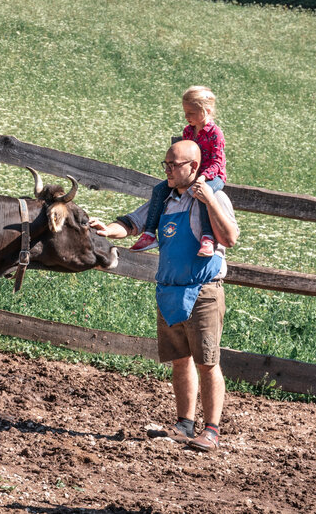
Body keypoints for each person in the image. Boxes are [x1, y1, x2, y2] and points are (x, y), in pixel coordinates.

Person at [89, 140, 239, 452]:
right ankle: (184, 424)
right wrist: (106, 230)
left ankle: (211, 430)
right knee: (180, 361)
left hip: (203, 291)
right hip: (170, 291)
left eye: (174, 165)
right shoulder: (166, 200)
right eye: (166, 164)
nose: (168, 170)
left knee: (207, 362)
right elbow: (132, 223)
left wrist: (209, 201)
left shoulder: (215, 197)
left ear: (194, 168)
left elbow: (230, 238)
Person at [130, 86, 226, 257]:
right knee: (159, 190)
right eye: (185, 112)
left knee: (203, 194)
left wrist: (203, 178)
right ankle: (150, 234)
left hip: (213, 176)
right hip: (194, 175)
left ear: (207, 111)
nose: (186, 117)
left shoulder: (215, 133)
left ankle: (207, 238)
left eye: (191, 113)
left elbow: (217, 162)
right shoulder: (188, 131)